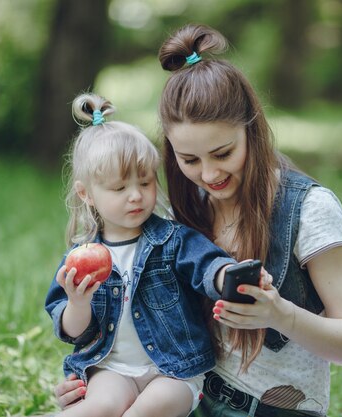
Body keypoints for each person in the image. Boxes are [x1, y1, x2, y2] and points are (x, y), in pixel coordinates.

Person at [53, 25, 342, 417]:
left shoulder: (309, 209)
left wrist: (280, 314)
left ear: (251, 129)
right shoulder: (181, 210)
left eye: (223, 153)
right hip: (190, 397)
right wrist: (99, 376)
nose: (208, 174)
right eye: (189, 160)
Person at [44, 92, 267, 417]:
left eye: (145, 183)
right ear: (86, 194)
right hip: (112, 368)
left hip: (175, 371)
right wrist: (78, 303)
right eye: (120, 189)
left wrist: (228, 276)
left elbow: (206, 265)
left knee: (147, 410)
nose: (136, 196)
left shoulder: (172, 239)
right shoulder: (79, 258)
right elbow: (73, 331)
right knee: (99, 407)